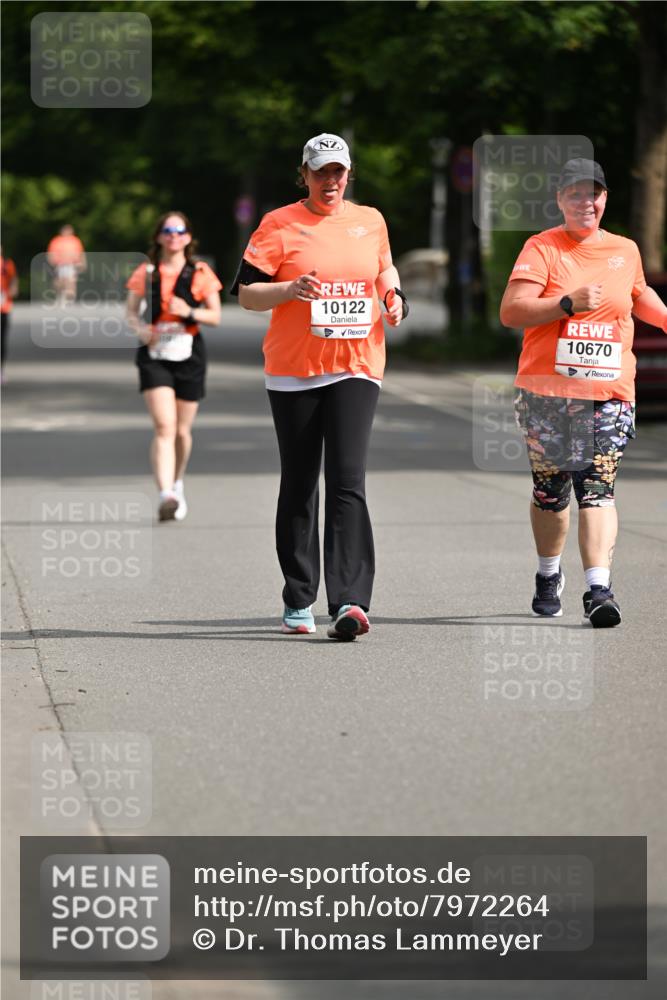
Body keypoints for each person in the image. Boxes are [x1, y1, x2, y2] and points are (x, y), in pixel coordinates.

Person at [232, 132, 406, 639]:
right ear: (303, 175)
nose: (330, 180)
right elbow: (245, 294)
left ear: (349, 174)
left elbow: (384, 268)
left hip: (357, 363)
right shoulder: (278, 224)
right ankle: (298, 595)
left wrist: (392, 294)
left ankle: (350, 600)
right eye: (321, 171)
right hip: (293, 370)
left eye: (338, 171)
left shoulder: (369, 221)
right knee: (302, 480)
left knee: (348, 479)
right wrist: (289, 289)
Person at [500, 158, 667, 627]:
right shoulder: (543, 248)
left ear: (605, 199)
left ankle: (598, 588)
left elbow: (638, 296)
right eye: (574, 194)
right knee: (551, 494)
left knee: (597, 488)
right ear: (560, 200)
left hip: (610, 390)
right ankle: (548, 573)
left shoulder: (625, 250)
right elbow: (512, 311)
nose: (585, 202)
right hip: (547, 393)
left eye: (593, 193)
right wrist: (566, 303)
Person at [125, 211, 222, 521]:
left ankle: (177, 482)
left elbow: (215, 316)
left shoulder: (200, 272)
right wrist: (141, 330)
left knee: (182, 431)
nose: (174, 236)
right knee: (164, 427)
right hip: (154, 355)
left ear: (188, 237)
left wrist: (190, 311)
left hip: (189, 353)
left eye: (180, 231)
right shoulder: (147, 272)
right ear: (158, 236)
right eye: (167, 230)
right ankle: (165, 493)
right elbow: (129, 313)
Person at [46, 224, 86, 306]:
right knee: (60, 281)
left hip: (72, 264)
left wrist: (83, 262)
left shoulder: (75, 240)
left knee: (71, 281)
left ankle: (70, 298)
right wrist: (51, 262)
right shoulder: (56, 241)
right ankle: (59, 295)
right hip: (60, 264)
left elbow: (81, 252)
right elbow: (50, 252)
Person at [0, 248, 18, 380]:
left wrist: (13, 289)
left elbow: (13, 279)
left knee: (2, 339)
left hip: (3, 307)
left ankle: (1, 369)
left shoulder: (6, 263)